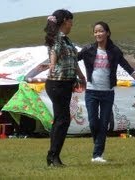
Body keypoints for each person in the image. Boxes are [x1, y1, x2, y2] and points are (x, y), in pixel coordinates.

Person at [77, 21, 135, 163]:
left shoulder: (114, 51)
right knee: (93, 123)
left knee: (103, 123)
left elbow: (128, 68)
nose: (98, 34)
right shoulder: (88, 50)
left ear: (108, 33)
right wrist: (78, 75)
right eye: (95, 31)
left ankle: (97, 155)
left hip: (107, 92)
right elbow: (71, 60)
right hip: (91, 91)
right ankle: (97, 144)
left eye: (101, 31)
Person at [44, 9, 85, 167]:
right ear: (65, 21)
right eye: (70, 20)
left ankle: (52, 156)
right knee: (63, 120)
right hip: (57, 83)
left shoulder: (67, 40)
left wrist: (81, 76)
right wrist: (52, 63)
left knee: (61, 120)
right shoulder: (57, 38)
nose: (72, 24)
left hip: (66, 83)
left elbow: (72, 61)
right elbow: (54, 51)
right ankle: (53, 156)